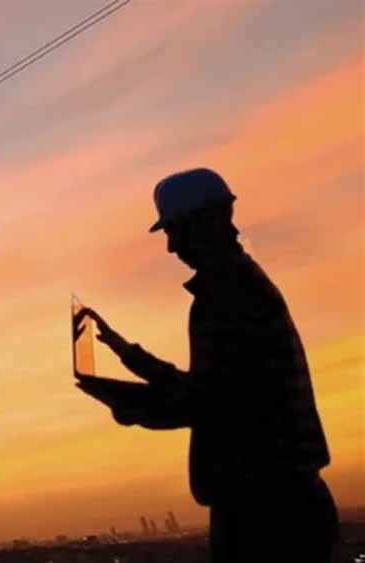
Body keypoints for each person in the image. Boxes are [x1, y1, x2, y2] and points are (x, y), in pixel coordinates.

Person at [73, 168, 339, 562]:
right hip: (279, 503)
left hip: (266, 513)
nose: (171, 247)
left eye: (174, 231)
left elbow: (208, 405)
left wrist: (128, 405)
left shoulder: (227, 295)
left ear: (207, 223)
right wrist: (124, 351)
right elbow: (210, 390)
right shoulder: (238, 285)